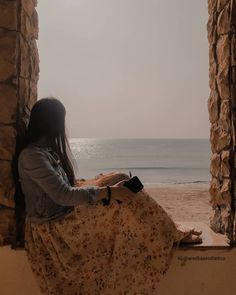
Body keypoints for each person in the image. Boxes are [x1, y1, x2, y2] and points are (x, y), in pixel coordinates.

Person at [18, 97, 202, 295]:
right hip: (55, 229)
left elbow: (67, 186)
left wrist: (103, 181)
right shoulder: (32, 156)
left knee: (122, 179)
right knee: (123, 200)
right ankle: (171, 233)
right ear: (51, 122)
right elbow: (63, 195)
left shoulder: (46, 151)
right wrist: (110, 192)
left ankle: (169, 229)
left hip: (65, 216)